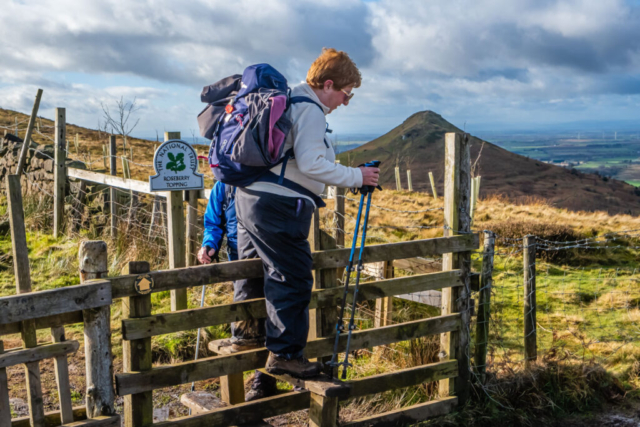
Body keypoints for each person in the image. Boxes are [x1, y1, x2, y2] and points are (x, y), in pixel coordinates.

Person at [234, 48, 380, 378]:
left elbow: (301, 159)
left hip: (250, 200)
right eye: (346, 94)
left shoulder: (290, 100)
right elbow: (313, 163)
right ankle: (285, 355)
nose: (345, 102)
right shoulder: (310, 109)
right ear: (328, 84)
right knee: (294, 275)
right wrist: (357, 177)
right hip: (278, 206)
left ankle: (247, 335)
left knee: (256, 271)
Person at [197, 181, 277, 401]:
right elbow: (214, 223)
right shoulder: (223, 187)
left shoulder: (264, 177)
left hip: (273, 258)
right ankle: (262, 378)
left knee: (275, 315)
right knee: (248, 321)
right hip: (239, 261)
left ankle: (268, 377)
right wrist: (209, 245)